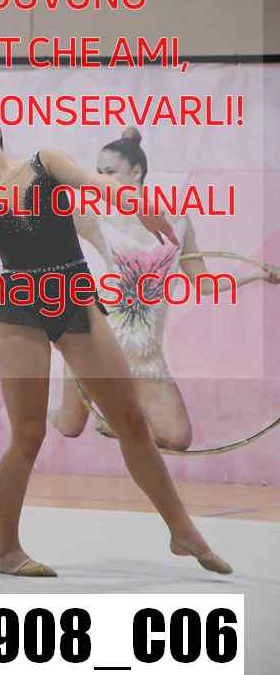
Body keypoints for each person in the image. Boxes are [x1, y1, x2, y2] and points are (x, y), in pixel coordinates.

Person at [0, 102, 233, 577]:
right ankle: (8, 551)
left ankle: (182, 530)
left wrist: (138, 203)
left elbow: (95, 184)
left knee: (131, 421)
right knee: (28, 434)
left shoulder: (43, 163)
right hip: (19, 311)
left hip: (74, 297)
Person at [51, 128, 280, 451]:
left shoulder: (177, 222)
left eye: (109, 172)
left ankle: (122, 424)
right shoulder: (95, 218)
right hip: (97, 346)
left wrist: (257, 275)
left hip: (145, 358)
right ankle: (55, 403)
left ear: (136, 173)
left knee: (177, 438)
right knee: (70, 426)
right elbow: (49, 201)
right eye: (98, 173)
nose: (100, 180)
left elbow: (205, 285)